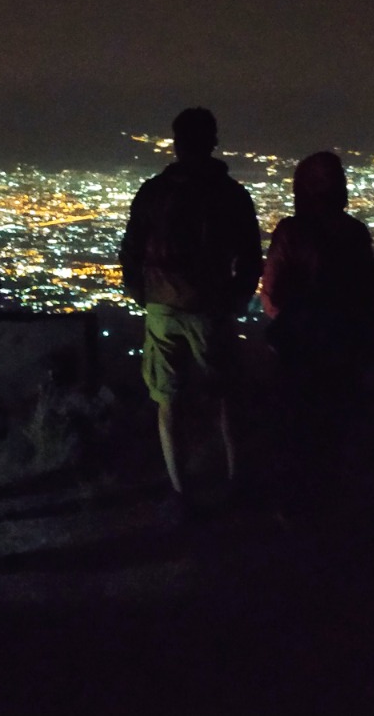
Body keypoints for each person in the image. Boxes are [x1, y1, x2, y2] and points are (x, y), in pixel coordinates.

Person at [119, 107, 262, 514]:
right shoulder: (230, 194)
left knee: (168, 400)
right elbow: (250, 254)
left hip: (162, 305)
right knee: (227, 396)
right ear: (213, 141)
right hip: (212, 306)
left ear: (177, 143)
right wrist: (236, 296)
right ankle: (237, 482)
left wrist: (141, 293)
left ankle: (180, 491)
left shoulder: (154, 192)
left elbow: (131, 248)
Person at [259, 151, 374, 501]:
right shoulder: (354, 232)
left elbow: (271, 291)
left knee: (297, 424)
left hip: (300, 346)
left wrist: (288, 323)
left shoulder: (291, 231)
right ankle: (338, 497)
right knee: (339, 423)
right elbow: (371, 286)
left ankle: (297, 499)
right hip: (346, 344)